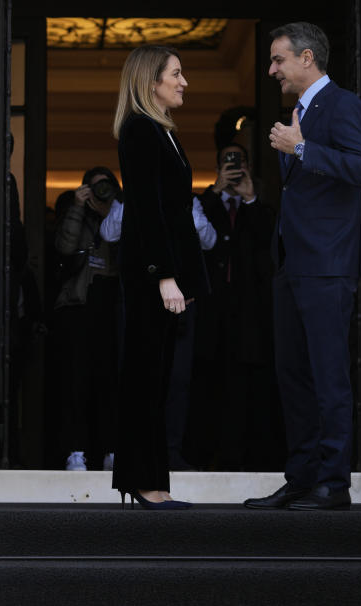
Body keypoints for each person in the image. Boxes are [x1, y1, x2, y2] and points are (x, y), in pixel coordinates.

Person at [244, 22, 361, 511]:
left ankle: (333, 482)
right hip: (292, 265)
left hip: (328, 265)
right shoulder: (299, 111)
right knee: (293, 375)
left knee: (327, 375)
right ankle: (300, 477)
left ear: (306, 58)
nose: (272, 69)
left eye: (278, 59)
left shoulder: (342, 105)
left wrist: (300, 148)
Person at [111, 45, 207, 509]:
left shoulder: (163, 131)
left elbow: (174, 214)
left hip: (168, 276)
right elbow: (147, 211)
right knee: (145, 377)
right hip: (152, 276)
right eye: (176, 73)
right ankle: (142, 482)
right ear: (152, 82)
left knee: (158, 377)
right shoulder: (140, 129)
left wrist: (184, 278)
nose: (184, 81)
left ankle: (153, 484)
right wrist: (165, 277)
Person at [100, 193, 216, 472]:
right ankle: (132, 452)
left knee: (178, 380)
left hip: (180, 303)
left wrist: (177, 207)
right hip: (139, 299)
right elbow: (109, 233)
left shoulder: (190, 201)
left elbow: (208, 239)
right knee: (135, 376)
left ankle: (170, 452)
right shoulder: (128, 200)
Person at [193, 144, 282, 470]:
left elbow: (269, 242)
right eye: (227, 161)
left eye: (239, 161)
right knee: (208, 383)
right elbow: (190, 232)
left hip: (249, 315)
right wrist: (216, 190)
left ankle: (247, 457)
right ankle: (205, 455)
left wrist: (249, 198)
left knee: (247, 387)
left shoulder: (258, 206)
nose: (234, 166)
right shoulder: (205, 202)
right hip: (211, 310)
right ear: (217, 167)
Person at [51, 167, 122, 472]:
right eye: (94, 187)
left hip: (113, 305)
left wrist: (113, 210)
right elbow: (65, 247)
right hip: (80, 305)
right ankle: (75, 451)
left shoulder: (121, 215)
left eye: (105, 186)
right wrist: (78, 208)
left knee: (111, 383)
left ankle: (112, 450)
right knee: (76, 381)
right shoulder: (77, 213)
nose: (100, 192)